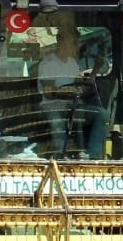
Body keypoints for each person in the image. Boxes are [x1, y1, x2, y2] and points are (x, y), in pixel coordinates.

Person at [36, 25, 108, 157]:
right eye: (74, 42)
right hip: (51, 106)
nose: (77, 45)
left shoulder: (72, 63)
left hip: (73, 105)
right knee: (57, 121)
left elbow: (80, 86)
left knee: (102, 114)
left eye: (77, 42)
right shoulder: (48, 63)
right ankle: (62, 156)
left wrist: (96, 69)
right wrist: (69, 91)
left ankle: (92, 156)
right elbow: (48, 92)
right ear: (61, 41)